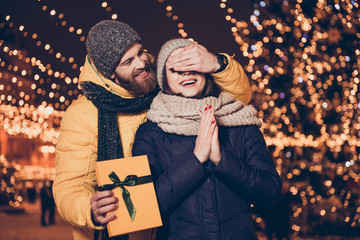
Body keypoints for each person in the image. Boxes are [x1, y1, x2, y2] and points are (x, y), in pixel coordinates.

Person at [53, 20, 252, 240]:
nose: (142, 63)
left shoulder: (162, 82)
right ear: (111, 73)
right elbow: (69, 186)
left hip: (168, 229)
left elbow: (238, 98)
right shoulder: (84, 114)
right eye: (128, 61)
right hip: (119, 231)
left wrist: (218, 64)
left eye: (140, 52)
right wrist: (88, 209)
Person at [132, 38, 282, 240]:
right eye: (175, 69)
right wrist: (195, 160)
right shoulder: (151, 132)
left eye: (191, 65)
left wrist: (222, 159)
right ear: (163, 80)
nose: (185, 72)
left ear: (206, 69)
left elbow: (270, 195)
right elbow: (142, 208)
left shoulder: (240, 120)